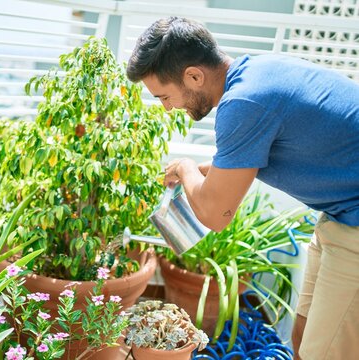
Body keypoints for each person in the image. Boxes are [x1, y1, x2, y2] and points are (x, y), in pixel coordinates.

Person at [126, 16, 359, 360]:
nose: (167, 107)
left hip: (354, 227)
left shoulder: (243, 104)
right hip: (339, 214)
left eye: (165, 96)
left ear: (193, 75)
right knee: (303, 334)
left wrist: (186, 167)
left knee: (325, 353)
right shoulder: (257, 73)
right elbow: (242, 161)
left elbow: (216, 214)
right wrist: (200, 173)